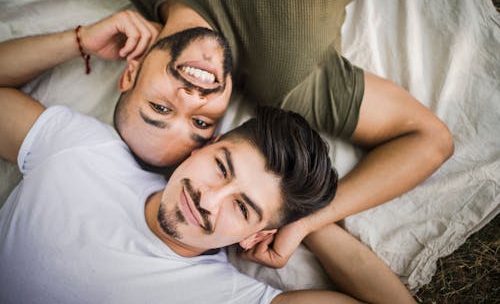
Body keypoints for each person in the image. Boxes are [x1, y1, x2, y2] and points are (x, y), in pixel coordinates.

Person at [0, 81, 416, 303]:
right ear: (204, 145)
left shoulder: (229, 298)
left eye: (243, 208)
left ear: (256, 236)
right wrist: (77, 39)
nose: (208, 199)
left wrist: (304, 223)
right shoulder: (87, 147)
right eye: (221, 168)